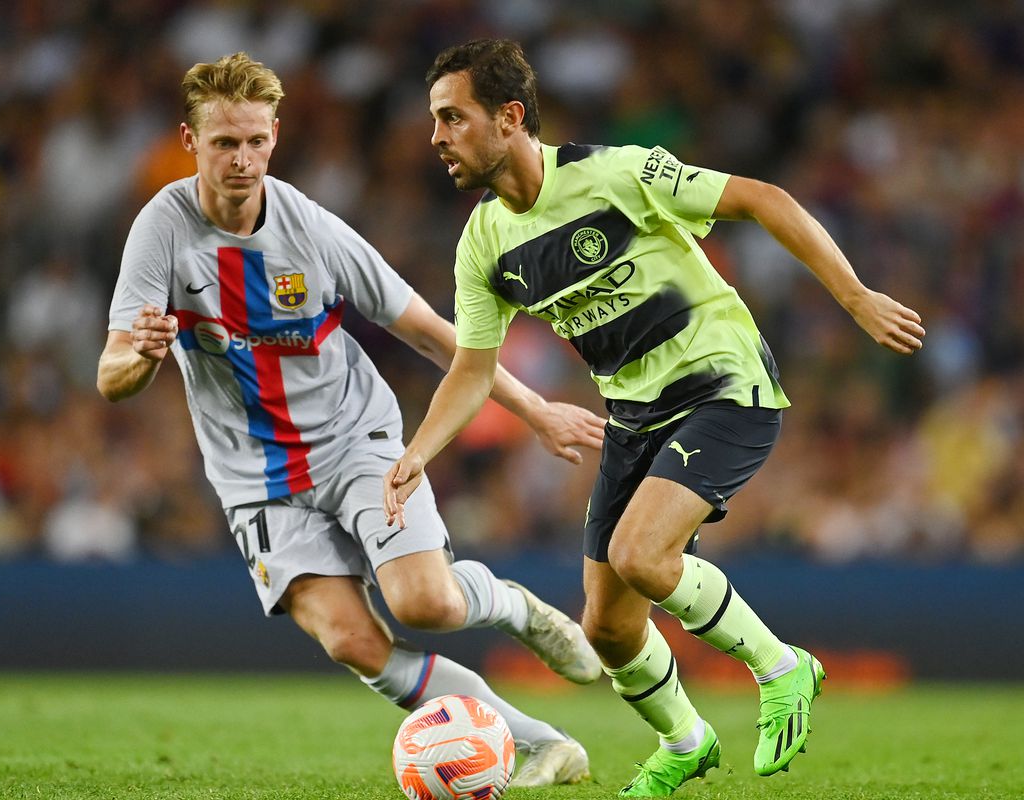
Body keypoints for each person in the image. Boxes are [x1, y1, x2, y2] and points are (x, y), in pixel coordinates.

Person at [384, 39, 926, 798]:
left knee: (642, 554)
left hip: (722, 384)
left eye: (452, 118)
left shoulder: (615, 172)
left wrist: (856, 296)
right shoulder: (483, 243)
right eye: (435, 121)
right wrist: (419, 452)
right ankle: (687, 739)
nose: (436, 137)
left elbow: (761, 197)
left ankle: (782, 666)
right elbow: (472, 372)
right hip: (636, 416)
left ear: (509, 118)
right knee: (607, 628)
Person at [96, 52, 607, 788]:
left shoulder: (311, 231)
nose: (241, 160)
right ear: (190, 140)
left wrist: (534, 411)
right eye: (223, 143)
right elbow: (113, 374)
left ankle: (516, 608)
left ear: (275, 136)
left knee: (425, 604)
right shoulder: (162, 231)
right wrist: (141, 356)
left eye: (254, 142)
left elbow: (432, 332)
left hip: (352, 441)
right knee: (351, 641)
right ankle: (539, 743)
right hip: (255, 477)